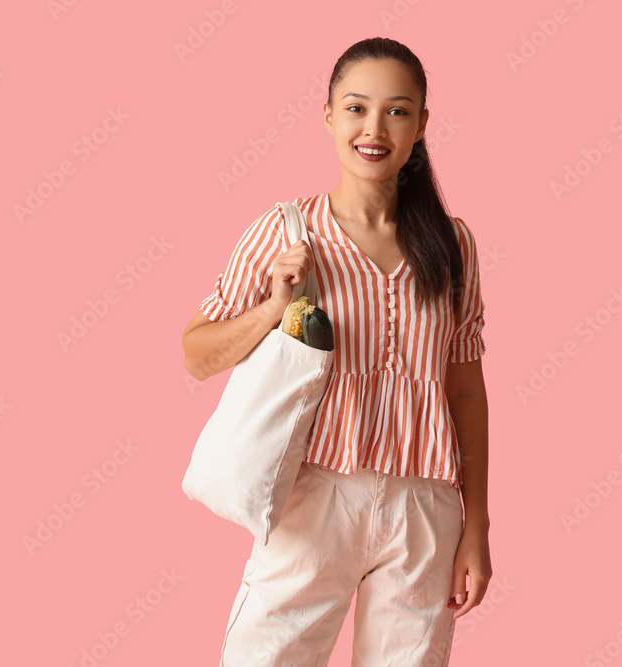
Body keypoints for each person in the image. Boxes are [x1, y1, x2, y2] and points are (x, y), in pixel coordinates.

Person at [182, 36, 491, 666]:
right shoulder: (288, 231)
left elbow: (464, 391)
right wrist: (272, 309)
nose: (374, 128)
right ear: (328, 115)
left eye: (397, 110)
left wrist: (477, 524)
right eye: (356, 108)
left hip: (424, 511)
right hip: (314, 499)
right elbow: (196, 354)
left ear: (422, 124)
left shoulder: (454, 245)